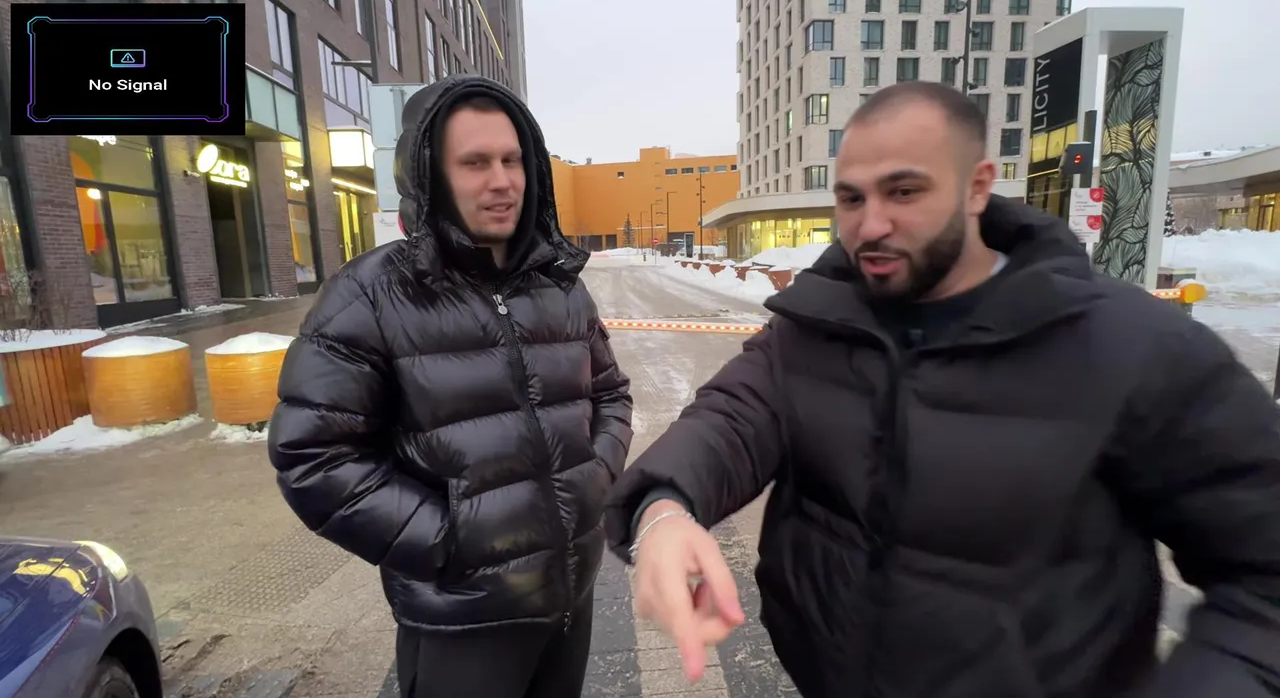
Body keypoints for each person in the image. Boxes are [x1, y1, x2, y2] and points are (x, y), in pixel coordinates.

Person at [604, 81, 1280, 698]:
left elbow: (1262, 579)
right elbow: (730, 419)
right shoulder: (815, 324)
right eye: (851, 198)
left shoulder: (1134, 346)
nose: (870, 224)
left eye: (904, 192)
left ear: (977, 187)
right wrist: (664, 511)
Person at [268, 75, 633, 698]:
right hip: (461, 620)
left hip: (570, 598)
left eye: (513, 160)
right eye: (475, 163)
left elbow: (611, 395)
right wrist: (451, 540)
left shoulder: (561, 286)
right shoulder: (369, 295)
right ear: (430, 176)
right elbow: (313, 455)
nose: (502, 180)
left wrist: (595, 478)